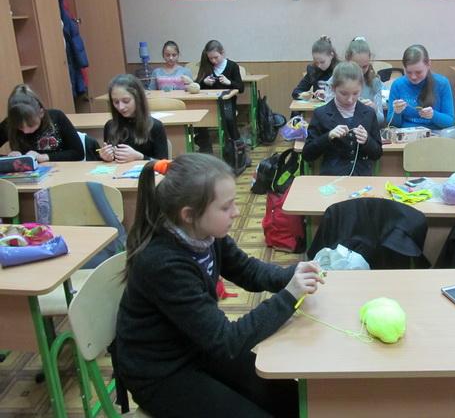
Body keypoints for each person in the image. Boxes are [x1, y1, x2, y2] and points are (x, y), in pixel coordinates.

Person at [115, 154, 324, 417]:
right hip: (160, 373)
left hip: (197, 345)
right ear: (189, 215)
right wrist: (289, 295)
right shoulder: (164, 263)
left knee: (293, 400)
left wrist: (292, 274)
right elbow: (226, 341)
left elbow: (247, 270)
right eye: (226, 207)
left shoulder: (205, 234)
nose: (236, 212)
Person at [303, 61, 382, 175]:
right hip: (332, 177)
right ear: (333, 88)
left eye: (355, 93)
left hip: (361, 178)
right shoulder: (321, 114)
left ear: (361, 88)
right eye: (344, 94)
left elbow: (377, 154)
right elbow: (307, 155)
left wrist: (367, 141)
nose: (350, 99)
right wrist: (328, 136)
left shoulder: (369, 113)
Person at [0, 84, 83, 162]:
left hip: (61, 169)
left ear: (41, 113)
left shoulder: (57, 117)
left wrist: (45, 157)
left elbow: (78, 153)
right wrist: (8, 158)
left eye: (31, 125)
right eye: (20, 127)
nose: (26, 131)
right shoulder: (9, 123)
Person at [99, 74, 168, 162]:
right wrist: (105, 157)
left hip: (145, 171)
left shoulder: (155, 126)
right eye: (116, 102)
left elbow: (163, 164)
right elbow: (110, 161)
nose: (121, 107)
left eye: (126, 101)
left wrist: (140, 157)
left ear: (138, 99)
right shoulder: (110, 126)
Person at [387, 44, 455, 129]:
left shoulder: (442, 83)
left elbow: (450, 122)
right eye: (408, 72)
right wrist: (397, 113)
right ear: (404, 68)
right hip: (406, 134)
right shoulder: (398, 85)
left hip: (434, 134)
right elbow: (392, 125)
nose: (413, 77)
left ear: (428, 65)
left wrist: (433, 115)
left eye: (418, 72)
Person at [195, 40, 243, 153]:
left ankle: (235, 146)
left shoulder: (232, 66)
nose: (213, 61)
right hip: (208, 102)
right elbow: (196, 85)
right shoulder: (206, 65)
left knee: (228, 118)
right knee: (200, 118)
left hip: (227, 102)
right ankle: (205, 146)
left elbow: (241, 88)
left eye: (216, 57)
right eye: (210, 58)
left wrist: (229, 82)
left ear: (222, 53)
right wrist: (204, 82)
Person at [342, 37, 385, 125]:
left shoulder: (375, 82)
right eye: (356, 66)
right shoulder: (338, 80)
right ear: (348, 61)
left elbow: (381, 121)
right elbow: (328, 117)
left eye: (365, 66)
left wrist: (375, 109)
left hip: (367, 129)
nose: (360, 71)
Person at [291, 36, 339, 101]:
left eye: (322, 62)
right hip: (317, 106)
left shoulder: (340, 70)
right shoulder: (312, 69)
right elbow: (296, 92)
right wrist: (302, 95)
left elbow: (346, 94)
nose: (319, 66)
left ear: (331, 55)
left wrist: (328, 94)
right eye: (316, 62)